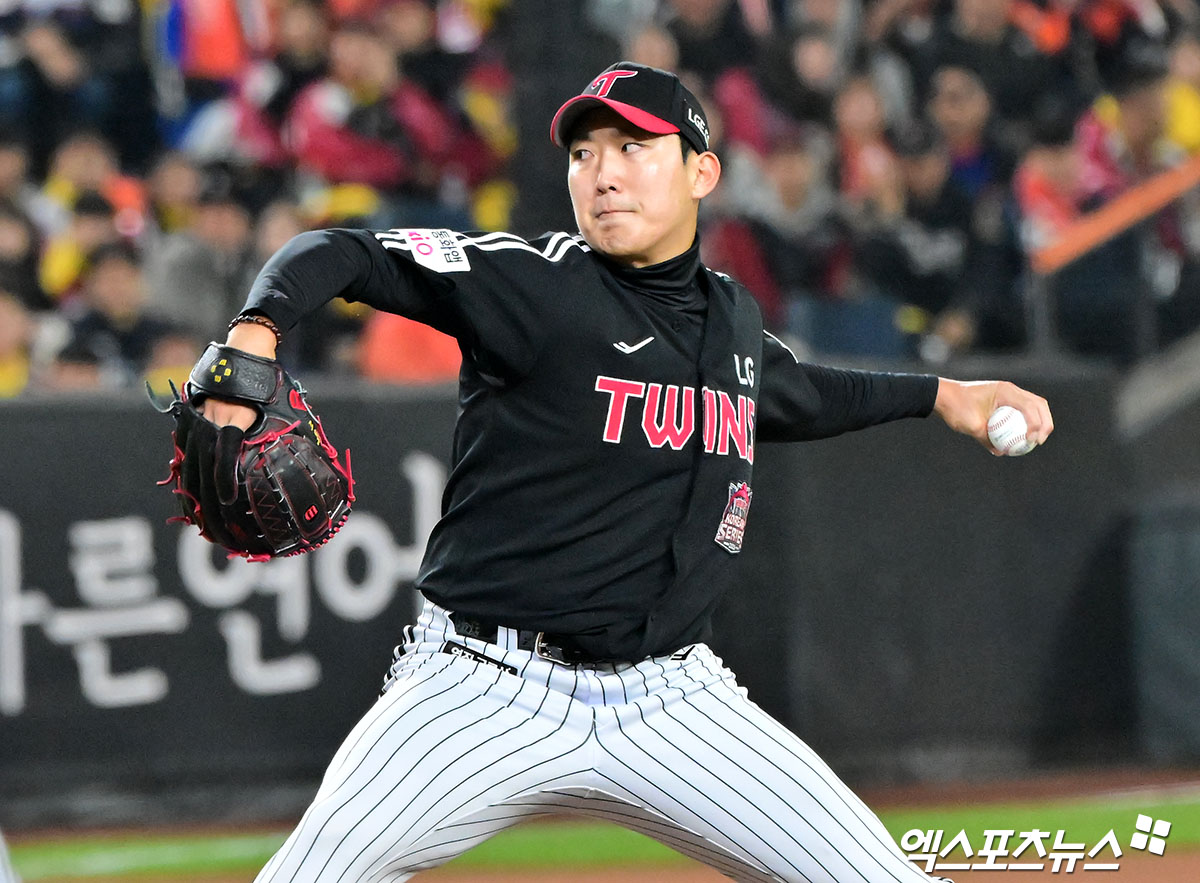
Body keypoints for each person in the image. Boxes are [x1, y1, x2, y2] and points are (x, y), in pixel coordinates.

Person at [198, 62, 1052, 882]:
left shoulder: (730, 320)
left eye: (633, 147)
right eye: (584, 154)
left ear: (702, 171)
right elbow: (346, 250)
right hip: (483, 689)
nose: (603, 174)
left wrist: (943, 393)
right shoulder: (533, 284)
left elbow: (798, 391)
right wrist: (258, 328)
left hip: (671, 699)